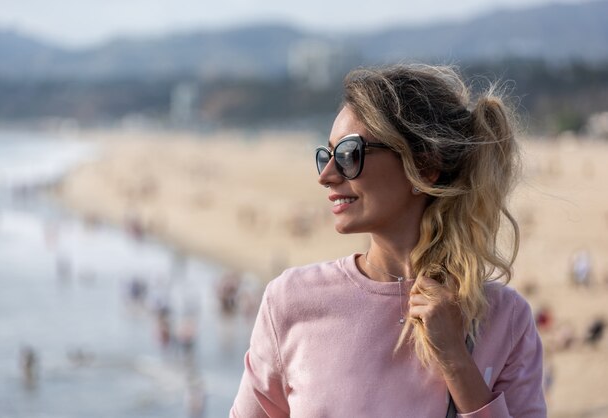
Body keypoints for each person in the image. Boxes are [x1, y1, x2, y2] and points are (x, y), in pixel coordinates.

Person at [230, 64, 546, 417]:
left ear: (424, 166)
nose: (326, 176)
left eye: (349, 155)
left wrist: (456, 361)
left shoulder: (505, 320)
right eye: (327, 155)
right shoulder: (290, 300)